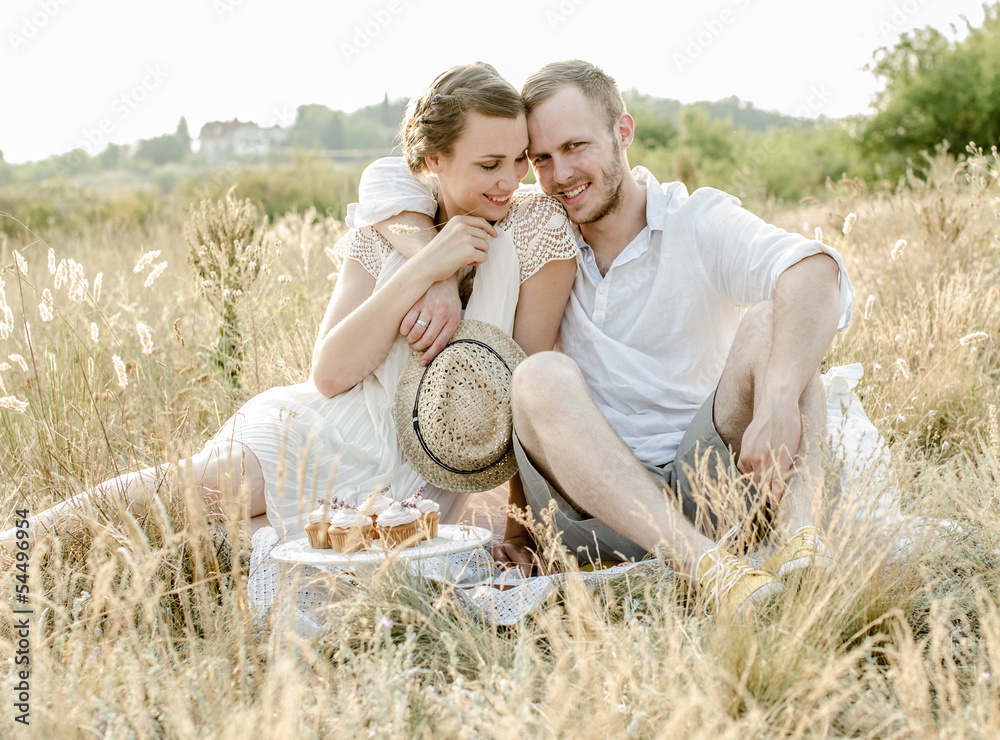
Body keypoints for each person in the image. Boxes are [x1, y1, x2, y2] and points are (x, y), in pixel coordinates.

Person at [0, 63, 578, 556]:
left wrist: (520, 531)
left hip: (424, 481)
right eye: (488, 164)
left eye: (519, 160)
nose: (510, 182)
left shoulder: (535, 234)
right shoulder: (388, 231)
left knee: (224, 553)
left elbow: (521, 405)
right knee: (196, 491)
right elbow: (329, 373)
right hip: (326, 434)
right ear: (432, 161)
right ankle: (15, 551)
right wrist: (430, 270)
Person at [346, 60, 854, 617]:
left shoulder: (696, 220)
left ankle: (802, 550)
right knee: (537, 375)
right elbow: (394, 174)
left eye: (576, 146)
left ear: (624, 132)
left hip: (714, 482)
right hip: (588, 505)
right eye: (540, 159)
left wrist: (778, 400)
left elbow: (813, 270)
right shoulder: (536, 230)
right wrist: (435, 269)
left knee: (775, 320)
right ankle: (709, 570)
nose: (561, 173)